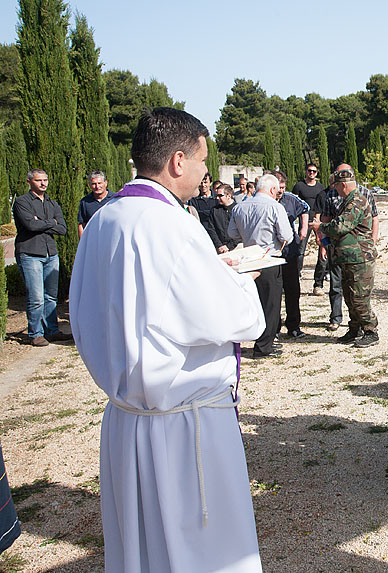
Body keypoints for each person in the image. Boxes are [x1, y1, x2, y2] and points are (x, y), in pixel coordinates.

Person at [68, 107, 266, 572]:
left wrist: (212, 273)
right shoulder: (171, 225)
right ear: (178, 161)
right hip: (183, 425)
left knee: (143, 548)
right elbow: (235, 318)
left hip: (128, 419)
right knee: (203, 554)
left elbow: (95, 310)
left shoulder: (105, 219)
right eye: (202, 161)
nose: (204, 173)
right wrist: (239, 281)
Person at [310, 165, 378, 348]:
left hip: (360, 258)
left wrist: (320, 227)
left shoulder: (357, 202)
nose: (335, 190)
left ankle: (371, 331)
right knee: (349, 295)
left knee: (359, 297)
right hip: (348, 257)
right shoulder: (348, 201)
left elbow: (341, 226)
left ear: (344, 185)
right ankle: (355, 328)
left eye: (337, 186)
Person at [229, 173, 293, 358]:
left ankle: (255, 339)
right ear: (272, 189)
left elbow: (232, 233)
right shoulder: (275, 207)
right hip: (269, 259)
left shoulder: (239, 207)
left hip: (249, 260)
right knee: (270, 305)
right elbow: (286, 236)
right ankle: (264, 346)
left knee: (253, 302)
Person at [13, 169, 70, 346]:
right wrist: (51, 222)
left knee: (50, 297)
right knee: (36, 297)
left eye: (45, 180)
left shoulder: (52, 203)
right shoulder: (22, 202)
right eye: (39, 180)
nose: (43, 183)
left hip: (50, 254)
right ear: (29, 182)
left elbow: (62, 229)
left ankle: (52, 331)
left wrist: (41, 222)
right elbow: (30, 225)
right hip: (30, 253)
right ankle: (35, 333)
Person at [273, 171, 309, 339]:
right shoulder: (265, 201)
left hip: (290, 251)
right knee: (273, 293)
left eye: (283, 187)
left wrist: (303, 228)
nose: (281, 190)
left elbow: (306, 208)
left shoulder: (290, 199)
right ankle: (273, 328)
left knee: (292, 290)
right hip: (272, 254)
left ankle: (293, 326)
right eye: (278, 187)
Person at [292, 163, 326, 295]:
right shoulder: (299, 186)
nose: (311, 173)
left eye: (314, 171)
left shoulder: (320, 187)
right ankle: (297, 274)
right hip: (304, 221)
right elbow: (294, 202)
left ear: (317, 173)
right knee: (300, 249)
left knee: (323, 249)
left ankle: (319, 281)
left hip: (318, 221)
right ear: (306, 172)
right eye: (309, 171)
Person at [77, 170, 115, 237]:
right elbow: (82, 225)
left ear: (105, 183)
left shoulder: (114, 200)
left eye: (99, 183)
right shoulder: (85, 202)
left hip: (111, 239)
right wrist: (82, 242)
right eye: (94, 184)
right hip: (93, 240)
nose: (97, 186)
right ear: (90, 185)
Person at [190, 172, 218, 244]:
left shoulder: (217, 198)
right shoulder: (194, 199)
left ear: (210, 183)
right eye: (201, 182)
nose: (203, 185)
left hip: (217, 233)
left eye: (205, 182)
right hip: (201, 233)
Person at [211, 184, 240, 253]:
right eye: (216, 195)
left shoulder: (238, 209)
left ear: (228, 196)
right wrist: (219, 245)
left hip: (236, 247)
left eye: (220, 196)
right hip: (220, 248)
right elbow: (211, 229)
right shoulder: (214, 210)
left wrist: (229, 246)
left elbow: (241, 231)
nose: (217, 198)